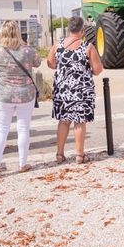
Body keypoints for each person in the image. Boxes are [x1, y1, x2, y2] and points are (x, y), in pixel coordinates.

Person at [0, 21, 41, 177]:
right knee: (23, 128)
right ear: (18, 32)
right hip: (25, 93)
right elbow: (38, 62)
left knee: (2, 130)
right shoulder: (28, 51)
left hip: (4, 94)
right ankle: (22, 164)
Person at [48, 17, 103, 164]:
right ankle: (79, 155)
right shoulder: (87, 47)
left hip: (62, 90)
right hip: (81, 90)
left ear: (69, 29)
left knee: (63, 121)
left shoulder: (57, 45)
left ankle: (60, 154)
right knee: (79, 122)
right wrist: (89, 71)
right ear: (82, 30)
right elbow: (98, 69)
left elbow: (50, 63)